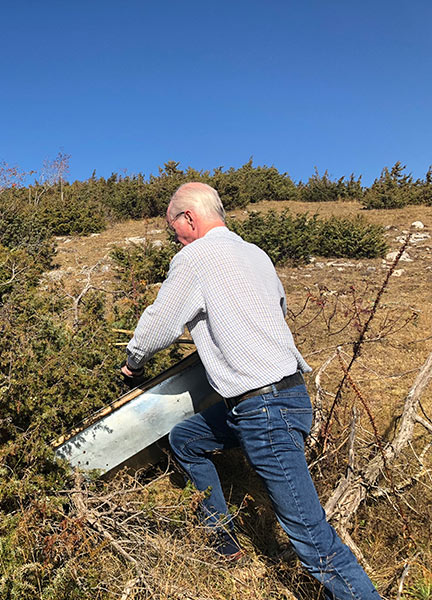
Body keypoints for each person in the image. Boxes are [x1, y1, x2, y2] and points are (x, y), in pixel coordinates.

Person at [121, 182, 380, 599]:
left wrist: (133, 362)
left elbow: (159, 324)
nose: (174, 236)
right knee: (186, 438)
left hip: (263, 409)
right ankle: (223, 542)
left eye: (174, 226)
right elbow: (275, 312)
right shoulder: (255, 254)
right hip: (289, 396)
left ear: (189, 217)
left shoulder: (195, 257)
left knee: (313, 542)